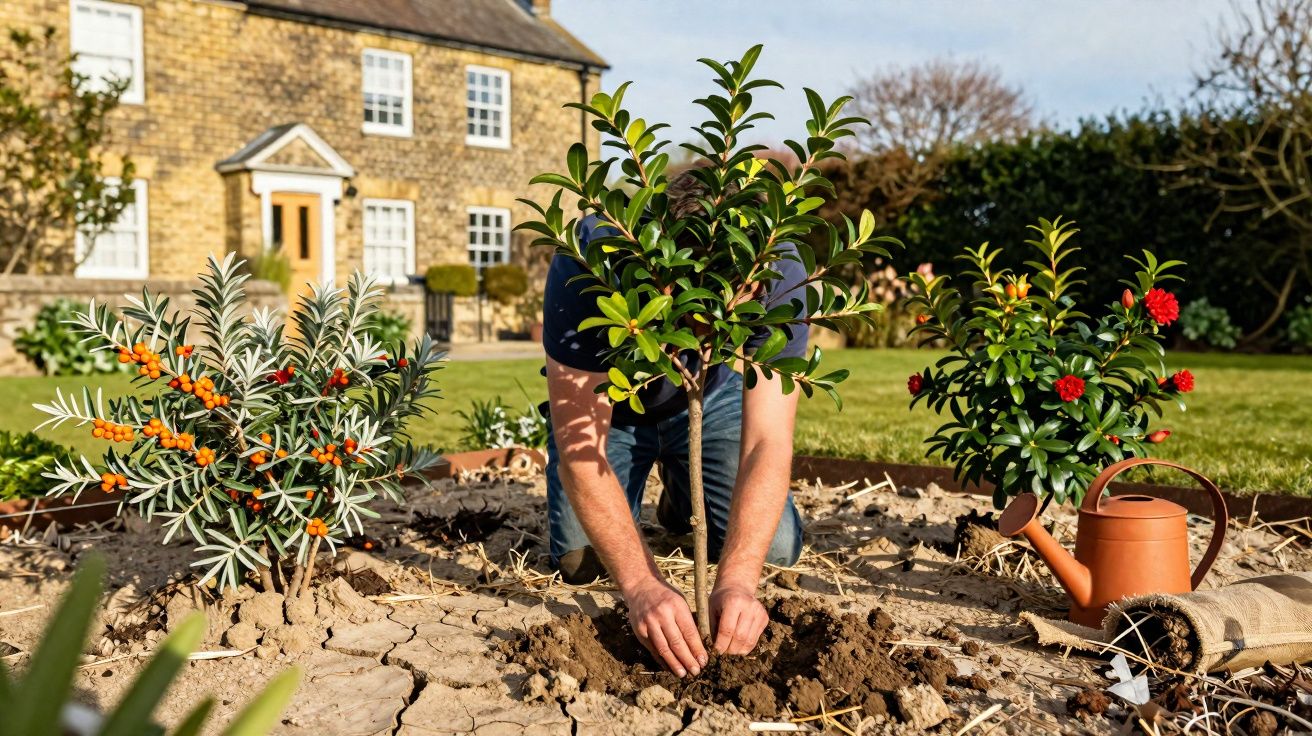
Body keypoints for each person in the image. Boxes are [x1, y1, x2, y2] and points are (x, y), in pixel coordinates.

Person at [540, 170, 809, 678]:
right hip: (611, 409)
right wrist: (642, 586)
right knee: (580, 562)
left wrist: (736, 580)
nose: (704, 333)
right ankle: (666, 480)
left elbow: (768, 440)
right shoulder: (587, 263)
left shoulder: (779, 264)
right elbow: (582, 450)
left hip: (714, 399)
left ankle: (683, 495)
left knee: (775, 548)